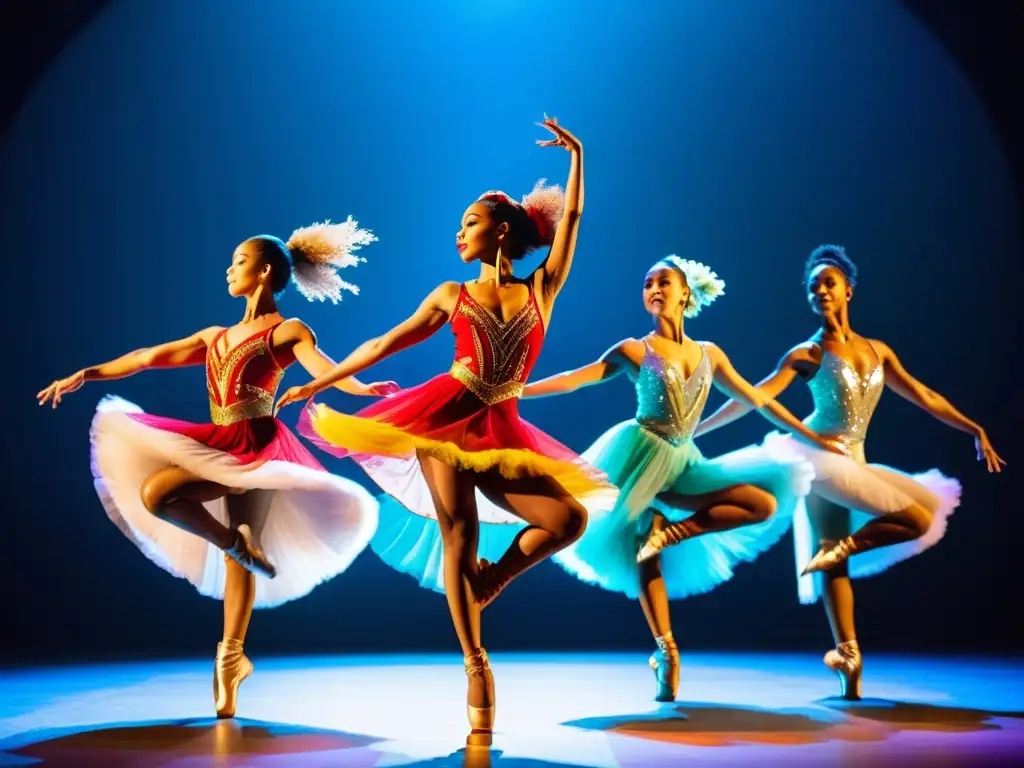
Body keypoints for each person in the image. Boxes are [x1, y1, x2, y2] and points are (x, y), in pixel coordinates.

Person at [276, 116, 615, 746]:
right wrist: (320, 384)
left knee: (568, 520)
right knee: (461, 529)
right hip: (444, 416)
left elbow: (570, 224)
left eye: (469, 223)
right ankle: (476, 663)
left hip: (504, 425)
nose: (458, 232)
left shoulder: (543, 288)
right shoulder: (451, 293)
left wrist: (578, 157)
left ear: (502, 230)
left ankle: (491, 580)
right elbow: (384, 342)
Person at [37, 218, 398, 717]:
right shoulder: (216, 337)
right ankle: (233, 547)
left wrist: (360, 390)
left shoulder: (288, 330)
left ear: (266, 270)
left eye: (239, 261)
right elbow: (147, 356)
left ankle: (230, 658)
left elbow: (323, 367)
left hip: (259, 444)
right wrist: (87, 373)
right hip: (218, 441)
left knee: (239, 547)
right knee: (159, 495)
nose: (229, 269)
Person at [522, 255, 844, 701]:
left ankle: (674, 533)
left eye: (664, 281)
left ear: (685, 293)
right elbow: (577, 379)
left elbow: (758, 400)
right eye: (648, 282)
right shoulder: (635, 349)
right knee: (643, 547)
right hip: (637, 459)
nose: (655, 288)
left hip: (683, 464)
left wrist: (810, 435)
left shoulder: (709, 354)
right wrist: (517, 391)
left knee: (761, 504)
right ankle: (667, 653)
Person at [695, 244, 1004, 699]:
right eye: (813, 286)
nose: (820, 291)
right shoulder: (807, 353)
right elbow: (753, 395)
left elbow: (922, 394)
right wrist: (700, 428)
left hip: (854, 459)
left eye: (829, 284)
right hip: (818, 458)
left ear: (848, 291)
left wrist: (973, 427)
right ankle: (850, 653)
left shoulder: (878, 351)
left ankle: (846, 654)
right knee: (898, 525)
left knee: (846, 548)